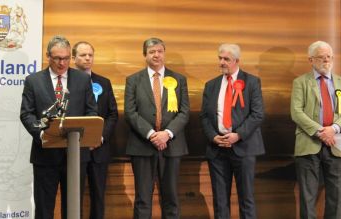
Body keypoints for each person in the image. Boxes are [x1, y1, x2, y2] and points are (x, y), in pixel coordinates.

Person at [20, 35, 98, 219]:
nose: (62, 63)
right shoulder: (34, 80)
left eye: (65, 58)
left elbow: (91, 111)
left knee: (72, 208)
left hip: (76, 155)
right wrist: (40, 134)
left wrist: (88, 134)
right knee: (44, 208)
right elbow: (26, 113)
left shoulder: (83, 80)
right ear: (48, 56)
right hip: (45, 155)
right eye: (57, 58)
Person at [124, 37, 190, 219]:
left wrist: (166, 134)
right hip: (142, 146)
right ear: (145, 55)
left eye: (160, 51)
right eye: (152, 51)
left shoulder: (179, 79)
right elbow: (130, 112)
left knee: (171, 198)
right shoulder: (133, 80)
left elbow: (184, 112)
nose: (156, 55)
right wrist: (152, 134)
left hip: (172, 146)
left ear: (164, 53)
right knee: (143, 199)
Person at [290, 41, 341, 219]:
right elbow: (296, 112)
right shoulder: (300, 82)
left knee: (336, 196)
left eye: (329, 57)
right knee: (307, 196)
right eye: (321, 57)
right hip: (308, 143)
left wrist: (333, 129)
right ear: (311, 60)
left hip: (337, 143)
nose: (326, 60)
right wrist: (321, 131)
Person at [200, 43, 265, 219]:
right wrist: (214, 137)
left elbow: (257, 114)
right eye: (220, 58)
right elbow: (205, 117)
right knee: (220, 201)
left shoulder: (252, 82)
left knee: (246, 199)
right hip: (217, 150)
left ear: (237, 60)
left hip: (244, 147)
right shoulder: (211, 85)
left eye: (226, 59)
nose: (222, 62)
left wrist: (238, 135)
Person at [72, 41, 118, 219]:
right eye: (83, 55)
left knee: (98, 196)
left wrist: (100, 137)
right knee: (74, 196)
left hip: (99, 149)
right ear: (74, 58)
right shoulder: (66, 81)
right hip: (75, 150)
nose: (87, 58)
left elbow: (113, 114)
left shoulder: (104, 83)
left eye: (90, 55)